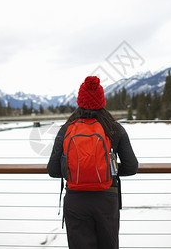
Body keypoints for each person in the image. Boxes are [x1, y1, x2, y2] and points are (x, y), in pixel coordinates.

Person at [47, 76, 138, 249]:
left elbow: (53, 170)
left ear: (80, 102)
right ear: (102, 102)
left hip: (75, 200)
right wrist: (108, 170)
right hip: (106, 198)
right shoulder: (114, 129)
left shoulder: (66, 129)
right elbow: (132, 167)